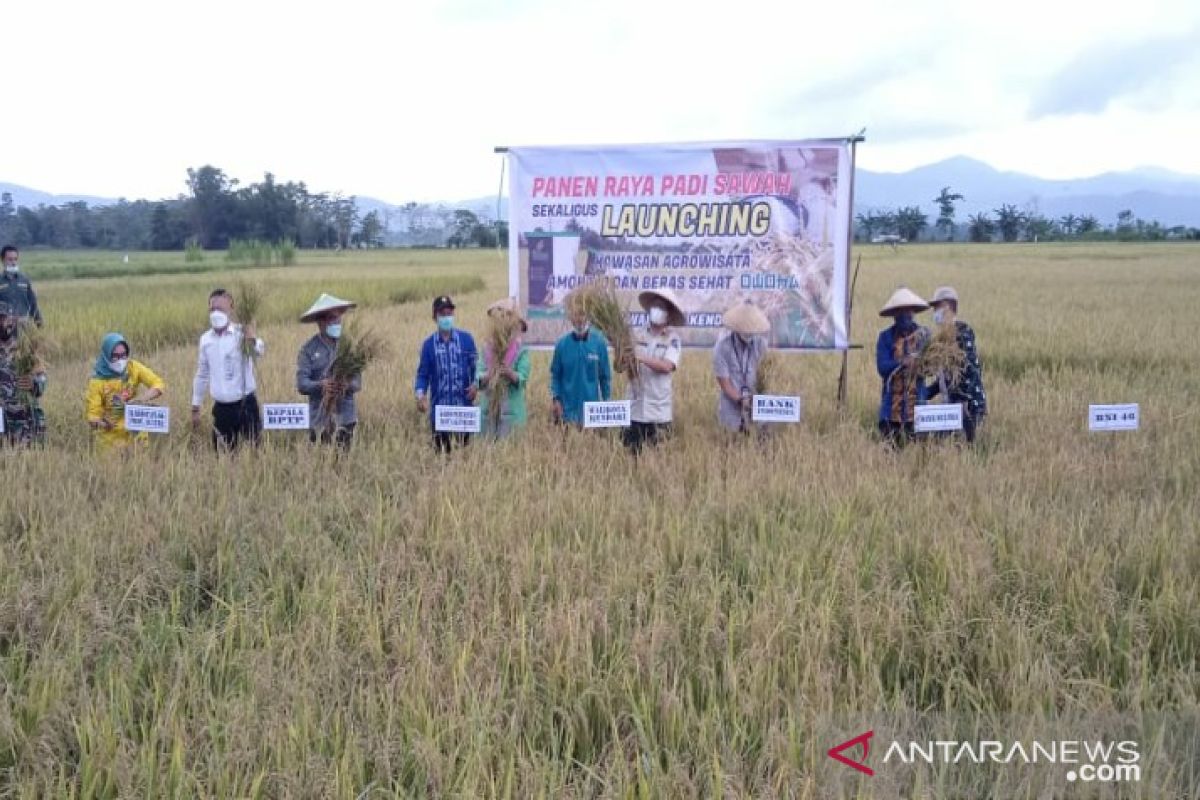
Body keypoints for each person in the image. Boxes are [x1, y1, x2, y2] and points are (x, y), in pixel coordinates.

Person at [191, 288, 265, 451]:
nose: (216, 313)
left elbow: (259, 351)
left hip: (246, 405)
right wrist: (195, 406)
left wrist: (252, 339)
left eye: (221, 309)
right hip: (222, 408)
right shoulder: (206, 340)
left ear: (231, 309)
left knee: (254, 453)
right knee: (223, 456)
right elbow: (202, 374)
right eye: (213, 309)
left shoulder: (241, 333)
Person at [296, 293, 360, 448]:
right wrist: (321, 385)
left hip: (345, 419)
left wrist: (346, 384)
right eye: (332, 318)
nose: (337, 322)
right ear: (320, 321)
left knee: (344, 464)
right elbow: (302, 384)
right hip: (319, 420)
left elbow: (358, 383)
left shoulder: (348, 347)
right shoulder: (308, 350)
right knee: (320, 463)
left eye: (338, 318)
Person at [415, 295, 478, 452]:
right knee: (442, 458)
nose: (446, 318)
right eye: (442, 314)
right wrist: (420, 394)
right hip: (440, 415)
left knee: (464, 459)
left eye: (449, 313)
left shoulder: (466, 340)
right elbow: (423, 374)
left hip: (463, 412)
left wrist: (476, 385)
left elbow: (477, 368)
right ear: (434, 317)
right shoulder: (428, 345)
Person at [624, 288, 684, 453]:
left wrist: (639, 357)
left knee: (658, 459)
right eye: (655, 306)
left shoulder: (673, 340)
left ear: (669, 314)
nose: (657, 310)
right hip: (634, 409)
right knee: (630, 459)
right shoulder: (636, 334)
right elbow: (622, 365)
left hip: (659, 412)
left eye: (662, 307)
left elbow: (666, 366)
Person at [926, 286, 988, 442]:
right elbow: (946, 376)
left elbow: (967, 369)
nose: (935, 313)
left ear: (948, 306)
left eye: (937, 308)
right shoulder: (942, 338)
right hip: (952, 406)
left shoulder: (962, 332)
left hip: (968, 406)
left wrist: (965, 402)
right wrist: (927, 392)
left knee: (965, 447)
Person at [85, 333, 165, 452]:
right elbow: (92, 417)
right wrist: (103, 423)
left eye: (123, 355)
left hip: (136, 435)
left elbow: (158, 384)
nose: (120, 360)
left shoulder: (133, 368)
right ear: (106, 355)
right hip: (110, 440)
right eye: (115, 356)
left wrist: (141, 400)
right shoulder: (97, 381)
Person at [875, 286, 931, 446]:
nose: (905, 315)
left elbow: (931, 369)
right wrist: (902, 363)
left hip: (917, 410)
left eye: (908, 311)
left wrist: (920, 364)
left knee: (918, 454)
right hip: (891, 411)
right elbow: (882, 367)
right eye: (900, 311)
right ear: (894, 314)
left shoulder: (924, 336)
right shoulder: (885, 337)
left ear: (913, 311)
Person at [713, 300, 771, 434]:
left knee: (760, 444)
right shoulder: (722, 348)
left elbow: (768, 375)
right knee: (732, 446)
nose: (749, 332)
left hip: (758, 408)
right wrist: (741, 400)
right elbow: (725, 384)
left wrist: (756, 400)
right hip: (731, 409)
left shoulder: (761, 345)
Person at [550, 300, 611, 427]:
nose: (580, 319)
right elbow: (555, 375)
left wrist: (607, 405)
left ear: (588, 316)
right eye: (576, 315)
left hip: (592, 414)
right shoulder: (562, 344)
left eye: (583, 314)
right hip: (567, 413)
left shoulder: (599, 343)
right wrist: (556, 399)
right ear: (570, 317)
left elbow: (605, 377)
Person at [477, 298, 531, 438]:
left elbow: (522, 378)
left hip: (511, 414)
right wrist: (489, 375)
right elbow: (477, 376)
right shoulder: (487, 349)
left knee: (509, 452)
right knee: (487, 451)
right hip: (488, 412)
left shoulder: (521, 351)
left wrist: (509, 373)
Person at [0, 301, 47, 447]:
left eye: (4, 318)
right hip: (2, 420)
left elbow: (42, 378)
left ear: (12, 319)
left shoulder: (26, 346)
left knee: (29, 461)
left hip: (24, 421)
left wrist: (34, 383)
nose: (2, 322)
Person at [0, 245, 43, 327]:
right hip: (5, 329)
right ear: (3, 260)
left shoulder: (25, 280)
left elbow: (33, 303)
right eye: (10, 259)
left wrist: (39, 322)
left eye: (15, 259)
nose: (13, 263)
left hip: (24, 326)